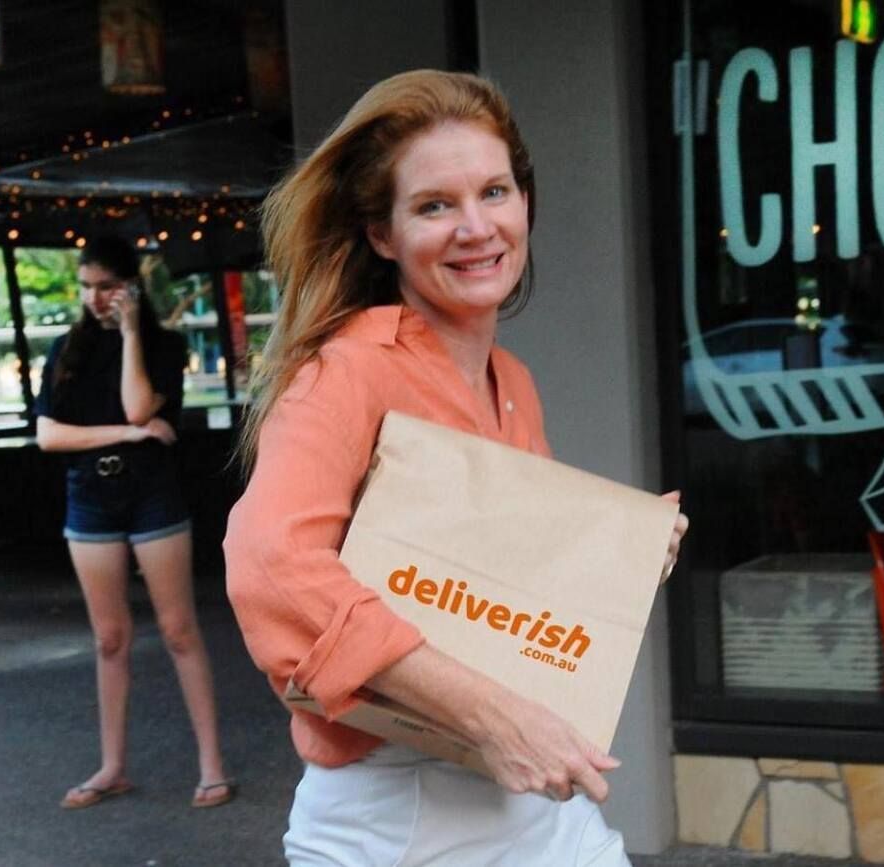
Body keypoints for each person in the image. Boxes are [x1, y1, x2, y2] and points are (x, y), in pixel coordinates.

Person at [223, 70, 689, 865]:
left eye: (495, 191)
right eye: (434, 205)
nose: (477, 226)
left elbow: (495, 594)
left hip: (523, 804)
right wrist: (491, 715)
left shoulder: (513, 383)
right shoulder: (348, 371)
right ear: (382, 234)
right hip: (399, 813)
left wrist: (619, 555)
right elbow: (269, 566)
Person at [34, 239, 234, 810]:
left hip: (152, 492)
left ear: (130, 287)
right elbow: (50, 436)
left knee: (178, 629)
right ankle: (112, 766)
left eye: (106, 286)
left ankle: (211, 766)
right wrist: (126, 436)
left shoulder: (162, 347)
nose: (95, 298)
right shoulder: (63, 351)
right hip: (90, 494)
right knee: (109, 637)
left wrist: (128, 336)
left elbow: (138, 407)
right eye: (87, 286)